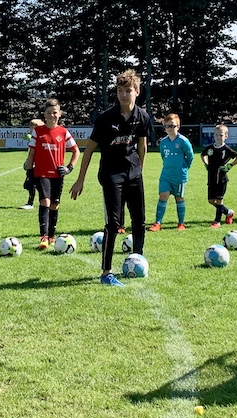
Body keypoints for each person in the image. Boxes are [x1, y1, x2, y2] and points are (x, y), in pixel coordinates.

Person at [69, 69, 151, 287]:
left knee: (139, 221)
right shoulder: (106, 119)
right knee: (114, 223)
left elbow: (143, 145)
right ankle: (106, 272)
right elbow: (88, 150)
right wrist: (80, 180)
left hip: (134, 173)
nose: (124, 95)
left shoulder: (142, 116)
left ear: (137, 91)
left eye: (128, 91)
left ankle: (138, 260)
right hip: (111, 175)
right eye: (120, 91)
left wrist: (140, 170)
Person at [25, 99, 82, 249]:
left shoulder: (63, 132)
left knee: (55, 205)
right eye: (49, 113)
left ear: (60, 114)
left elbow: (76, 151)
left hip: (58, 175)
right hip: (41, 173)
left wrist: (69, 167)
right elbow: (31, 154)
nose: (52, 116)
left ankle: (51, 236)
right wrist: (29, 175)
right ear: (44, 114)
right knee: (45, 201)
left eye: (55, 113)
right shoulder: (38, 132)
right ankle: (43, 237)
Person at [150, 113, 193, 231]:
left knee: (179, 198)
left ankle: (181, 223)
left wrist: (184, 168)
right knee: (163, 196)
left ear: (178, 127)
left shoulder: (183, 141)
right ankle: (157, 223)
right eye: (167, 126)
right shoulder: (163, 142)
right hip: (166, 175)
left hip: (179, 176)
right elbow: (164, 156)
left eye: (173, 126)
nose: (170, 128)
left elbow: (190, 156)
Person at [201, 124, 237, 229]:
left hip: (222, 179)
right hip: (211, 178)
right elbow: (203, 155)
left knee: (219, 200)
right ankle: (228, 212)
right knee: (211, 200)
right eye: (216, 135)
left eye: (221, 135)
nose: (218, 137)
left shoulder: (227, 149)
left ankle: (217, 221)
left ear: (226, 136)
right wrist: (206, 164)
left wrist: (230, 165)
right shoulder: (210, 148)